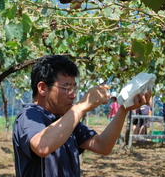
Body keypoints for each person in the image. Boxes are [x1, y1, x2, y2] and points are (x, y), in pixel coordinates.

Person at [12, 55, 152, 176]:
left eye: (74, 88)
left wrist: (123, 110)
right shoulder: (30, 115)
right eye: (67, 88)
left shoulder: (64, 119)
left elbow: (102, 146)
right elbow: (42, 146)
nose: (73, 95)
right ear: (42, 88)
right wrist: (82, 105)